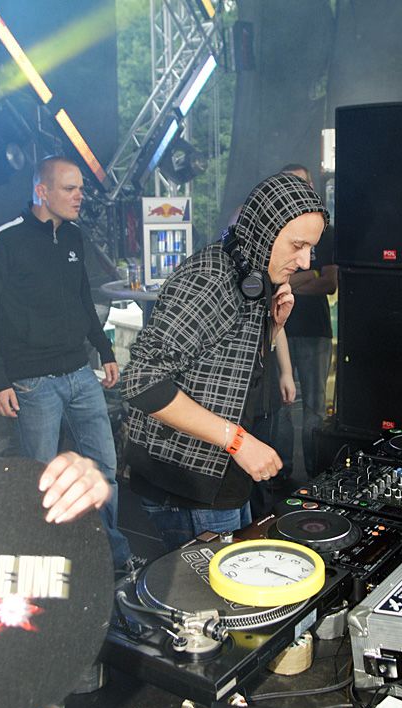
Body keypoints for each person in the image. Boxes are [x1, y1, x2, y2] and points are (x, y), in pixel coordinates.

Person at [121, 172, 328, 549]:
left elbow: (226, 365)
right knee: (208, 587)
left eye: (310, 248)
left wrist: (273, 327)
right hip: (188, 483)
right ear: (265, 229)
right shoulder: (209, 278)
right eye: (298, 245)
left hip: (222, 474)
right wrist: (239, 442)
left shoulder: (253, 272)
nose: (304, 261)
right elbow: (142, 381)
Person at [0, 156, 131, 569]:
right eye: (69, 188)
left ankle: (105, 556)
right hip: (32, 382)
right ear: (42, 191)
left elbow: (83, 301)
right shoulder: (6, 239)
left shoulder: (74, 236)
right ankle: (46, 560)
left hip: (79, 372)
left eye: (80, 189)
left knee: (104, 470)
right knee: (43, 480)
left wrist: (105, 350)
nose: (79, 196)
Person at [275, 163, 338, 480]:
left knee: (314, 405)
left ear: (311, 187)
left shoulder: (325, 232)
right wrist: (308, 275)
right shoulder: (276, 231)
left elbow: (329, 282)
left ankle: (315, 475)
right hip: (280, 330)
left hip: (314, 330)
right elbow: (271, 283)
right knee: (281, 405)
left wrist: (290, 283)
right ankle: (280, 473)